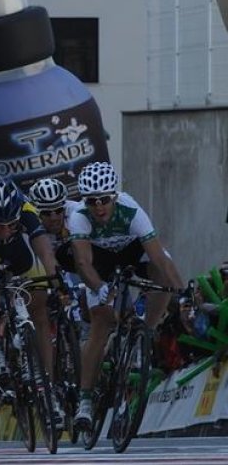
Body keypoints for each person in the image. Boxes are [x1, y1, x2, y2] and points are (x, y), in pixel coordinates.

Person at [70, 161, 183, 431]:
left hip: (133, 251)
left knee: (163, 271)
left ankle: (147, 330)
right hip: (101, 261)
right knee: (101, 322)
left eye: (104, 200)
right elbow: (83, 264)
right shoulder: (79, 217)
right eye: (92, 201)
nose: (99, 206)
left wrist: (182, 289)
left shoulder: (130, 210)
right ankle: (84, 401)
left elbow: (158, 256)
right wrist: (99, 288)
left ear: (114, 196)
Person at [0, 177, 61, 426]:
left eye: (11, 224)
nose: (6, 230)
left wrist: (59, 284)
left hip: (18, 250)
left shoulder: (28, 211)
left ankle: (47, 385)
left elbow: (45, 252)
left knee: (39, 305)